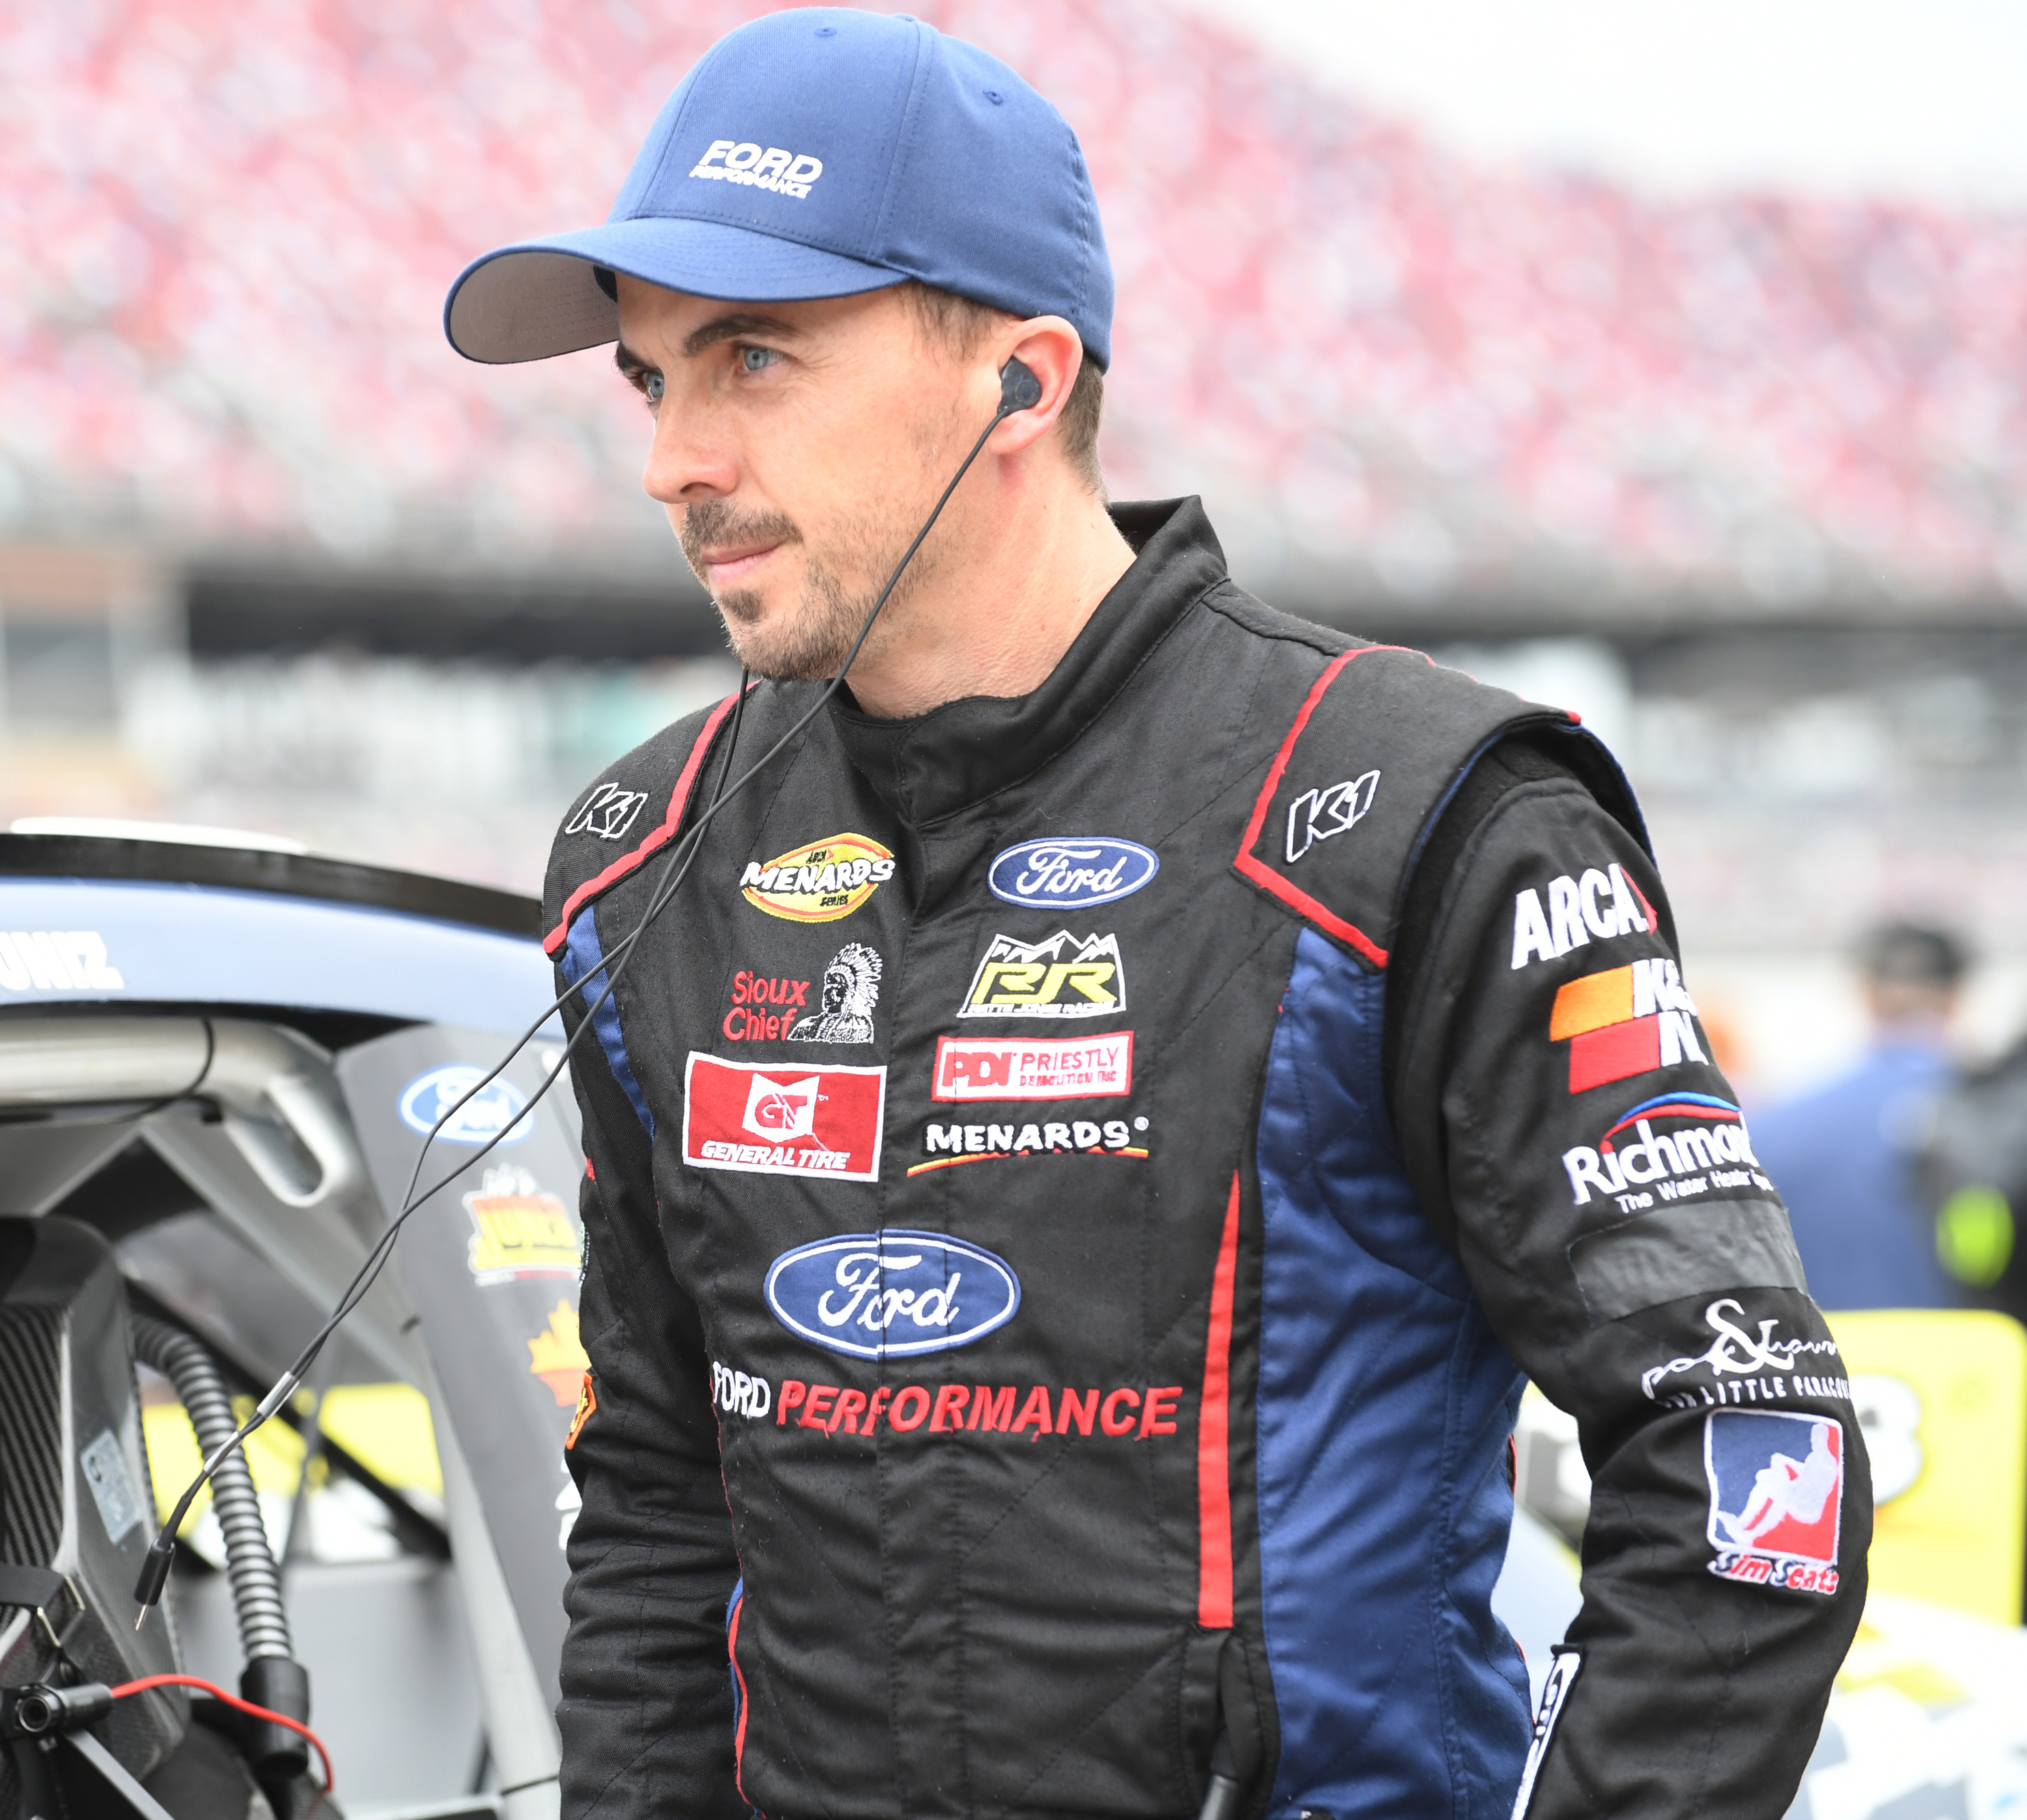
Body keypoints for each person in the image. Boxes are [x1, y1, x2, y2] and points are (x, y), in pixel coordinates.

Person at [445, 13, 1864, 1818]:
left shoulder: (1418, 817)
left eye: (754, 360)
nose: (674, 459)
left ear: (1025, 381)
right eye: (653, 381)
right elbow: (658, 1490)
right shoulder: (648, 859)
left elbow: (1750, 1440)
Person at [1753, 921, 1972, 1308]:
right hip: (1979, 1362)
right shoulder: (2000, 1122)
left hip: (1829, 1359)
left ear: (1867, 994)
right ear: (1955, 998)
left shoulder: (1773, 1127)